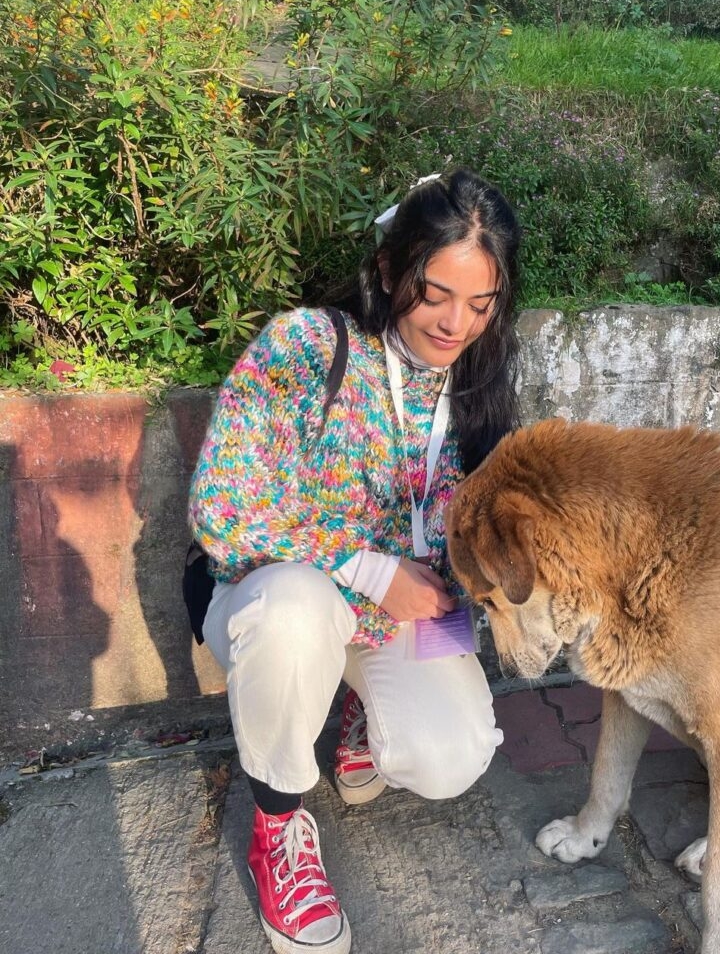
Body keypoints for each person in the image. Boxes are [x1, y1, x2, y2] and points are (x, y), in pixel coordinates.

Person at [188, 167, 522, 954]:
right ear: (387, 269)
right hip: (275, 596)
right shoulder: (308, 346)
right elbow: (221, 504)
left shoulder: (481, 383)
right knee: (298, 610)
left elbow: (468, 542)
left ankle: (352, 712)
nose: (455, 323)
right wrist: (370, 569)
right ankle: (278, 827)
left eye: (481, 304)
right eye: (435, 293)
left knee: (450, 760)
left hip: (401, 615)